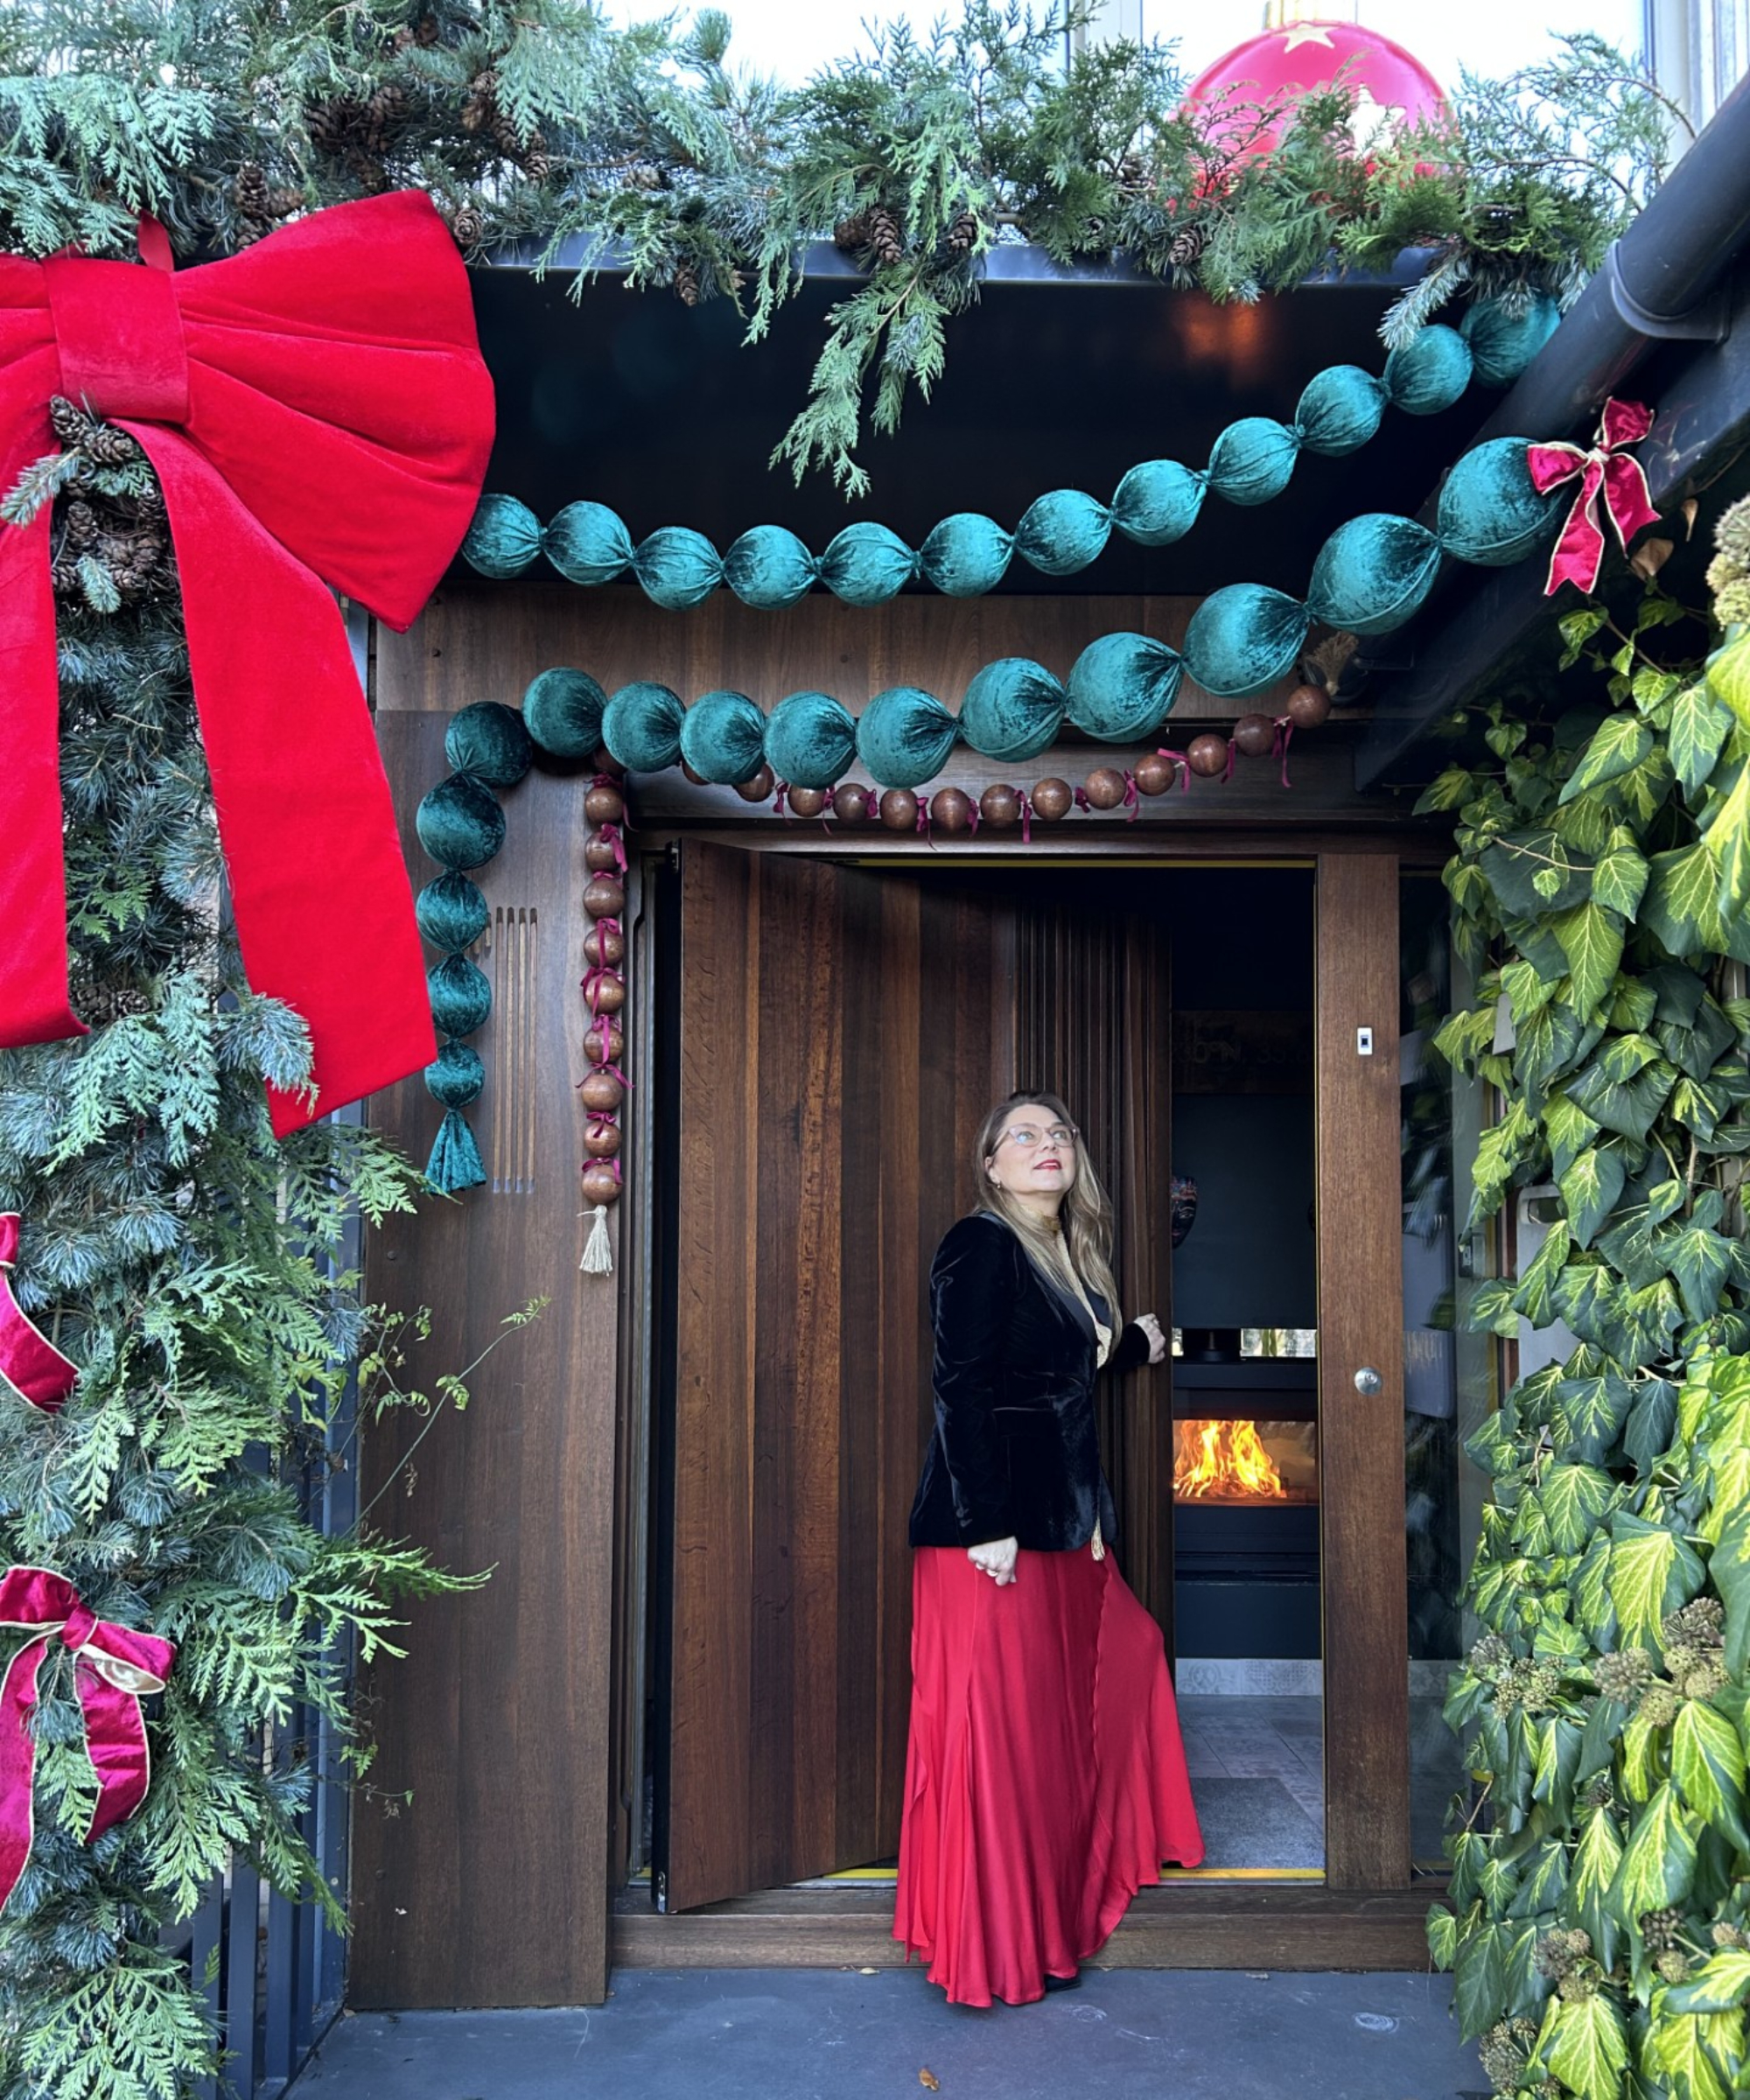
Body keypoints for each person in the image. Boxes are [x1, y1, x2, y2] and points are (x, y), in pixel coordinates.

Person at [893, 1090, 1204, 2006]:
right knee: (999, 1743)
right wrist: (986, 1519)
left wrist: (1131, 1348)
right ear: (991, 1166)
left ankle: (1061, 1901)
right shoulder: (979, 1244)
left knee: (1113, 1672)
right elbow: (962, 1385)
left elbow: (1051, 1367)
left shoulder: (1065, 1257)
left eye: (1057, 1133)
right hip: (989, 1537)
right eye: (1020, 1135)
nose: (1045, 1145)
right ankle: (995, 1949)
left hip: (1068, 1529)